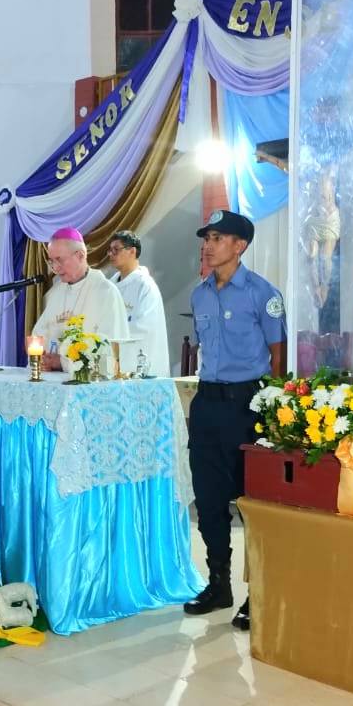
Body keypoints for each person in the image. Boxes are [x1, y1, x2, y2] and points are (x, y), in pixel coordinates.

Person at [183, 211, 286, 631]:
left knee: (251, 502)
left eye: (217, 238)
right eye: (206, 238)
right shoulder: (200, 295)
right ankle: (218, 584)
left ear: (239, 246)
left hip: (247, 405)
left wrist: (274, 410)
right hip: (207, 404)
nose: (208, 246)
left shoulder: (263, 293)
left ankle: (257, 594)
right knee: (209, 499)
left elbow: (278, 356)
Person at [31, 227, 129, 372]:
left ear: (80, 256)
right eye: (51, 261)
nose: (55, 268)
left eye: (59, 260)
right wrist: (43, 357)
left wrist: (63, 362)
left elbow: (110, 350)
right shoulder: (54, 294)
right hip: (51, 379)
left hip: (89, 382)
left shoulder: (106, 292)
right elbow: (38, 336)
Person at [107, 230, 170, 377]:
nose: (111, 254)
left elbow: (144, 326)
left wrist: (111, 334)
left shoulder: (145, 285)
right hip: (114, 361)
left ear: (132, 251)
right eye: (109, 250)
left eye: (116, 249)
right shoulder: (110, 286)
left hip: (139, 362)